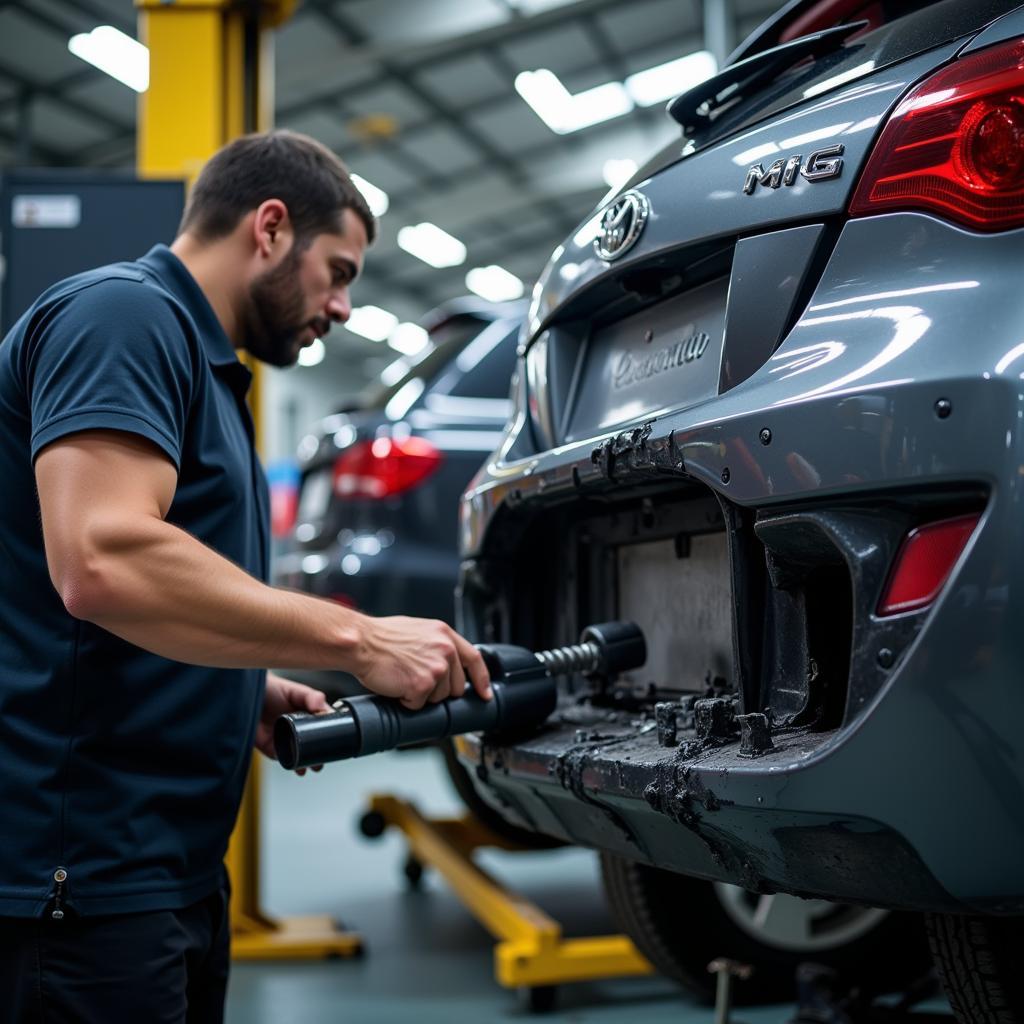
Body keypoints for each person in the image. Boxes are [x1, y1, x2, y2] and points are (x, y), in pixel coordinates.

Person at [0, 129, 491, 1023]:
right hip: (79, 881)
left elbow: (136, 592)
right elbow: (101, 559)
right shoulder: (124, 315)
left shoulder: (211, 371)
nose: (342, 305)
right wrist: (360, 636)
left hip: (165, 867)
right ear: (269, 228)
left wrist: (239, 685)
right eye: (337, 272)